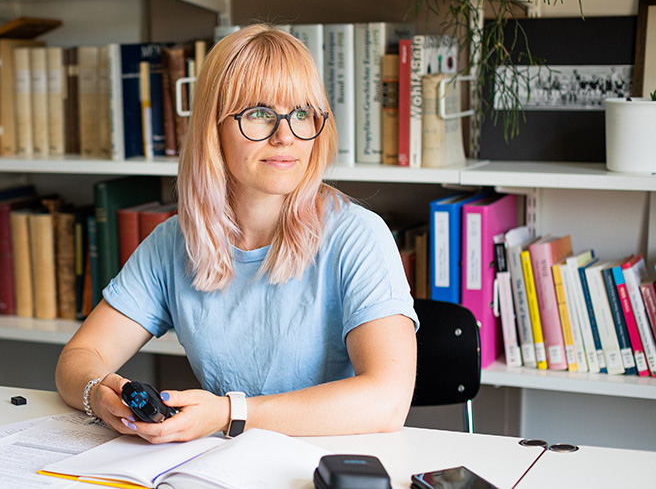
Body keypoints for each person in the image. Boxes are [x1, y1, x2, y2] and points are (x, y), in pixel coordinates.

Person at [56, 23, 418, 444]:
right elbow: (79, 358)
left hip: (329, 464)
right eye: (260, 113)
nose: (286, 136)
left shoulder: (358, 237)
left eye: (302, 113)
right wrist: (98, 395)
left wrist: (231, 413)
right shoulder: (174, 242)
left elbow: (388, 400)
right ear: (214, 128)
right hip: (226, 467)